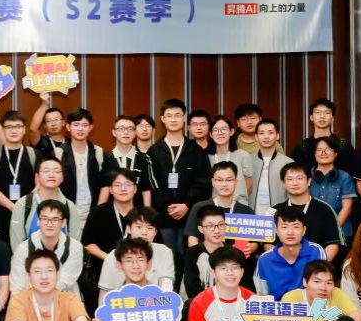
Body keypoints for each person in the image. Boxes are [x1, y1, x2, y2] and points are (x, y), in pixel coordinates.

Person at [147, 98, 211, 290]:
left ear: (184, 118)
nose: (173, 119)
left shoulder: (196, 150)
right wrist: (168, 206)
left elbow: (203, 183)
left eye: (177, 115)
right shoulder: (154, 151)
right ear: (162, 119)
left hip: (189, 215)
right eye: (169, 116)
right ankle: (166, 293)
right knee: (166, 255)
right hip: (163, 215)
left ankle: (185, 295)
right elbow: (152, 183)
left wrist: (186, 205)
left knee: (187, 256)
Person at [81, 169, 142, 303]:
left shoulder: (143, 215)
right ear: (111, 190)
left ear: (135, 189)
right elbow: (88, 244)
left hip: (138, 272)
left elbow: (153, 244)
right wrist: (110, 259)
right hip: (103, 270)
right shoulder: (98, 212)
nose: (123, 189)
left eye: (127, 184)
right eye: (118, 185)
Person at [0, 111, 38, 245]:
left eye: (18, 126)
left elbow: (40, 183)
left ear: (24, 129)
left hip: (29, 212)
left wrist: (25, 204)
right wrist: (12, 206)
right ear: (3, 130)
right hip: (0, 214)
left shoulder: (34, 154)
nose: (14, 131)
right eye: (9, 127)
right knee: (3, 249)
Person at [10, 199, 84, 297]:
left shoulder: (74, 247)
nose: (49, 224)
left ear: (63, 223)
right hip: (29, 300)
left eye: (55, 220)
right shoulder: (23, 249)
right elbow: (17, 285)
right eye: (44, 219)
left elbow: (66, 281)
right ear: (38, 221)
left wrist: (41, 292)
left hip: (65, 299)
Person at [97, 211, 175, 298]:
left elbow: (166, 286)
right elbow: (104, 295)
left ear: (156, 232)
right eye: (139, 227)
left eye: (150, 228)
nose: (144, 232)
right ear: (129, 229)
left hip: (153, 303)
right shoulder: (113, 256)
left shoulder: (164, 252)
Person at [184, 205, 255, 299]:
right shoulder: (193, 253)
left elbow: (248, 288)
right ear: (201, 229)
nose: (217, 231)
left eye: (221, 225)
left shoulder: (235, 253)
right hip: (203, 303)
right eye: (210, 226)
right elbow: (191, 289)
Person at [277, 163, 344, 261]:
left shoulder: (325, 209)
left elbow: (333, 243)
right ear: (283, 183)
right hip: (282, 267)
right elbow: (269, 243)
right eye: (290, 179)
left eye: (300, 178)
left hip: (317, 267)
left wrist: (317, 267)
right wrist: (282, 264)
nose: (295, 183)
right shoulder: (275, 210)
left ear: (309, 181)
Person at [184, 161, 256, 252]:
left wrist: (242, 250)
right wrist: (204, 255)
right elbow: (192, 239)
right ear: (213, 182)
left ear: (236, 182)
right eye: (219, 180)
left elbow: (254, 243)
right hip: (206, 258)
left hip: (236, 258)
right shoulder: (199, 208)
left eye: (229, 180)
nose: (224, 184)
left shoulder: (246, 211)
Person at [255, 205, 326, 297]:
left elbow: (324, 290)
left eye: (296, 227)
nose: (290, 232)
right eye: (284, 227)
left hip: (310, 306)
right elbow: (261, 297)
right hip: (277, 306)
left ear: (304, 230)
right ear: (276, 230)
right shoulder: (264, 260)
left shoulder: (316, 252)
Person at [8, 157, 80, 247]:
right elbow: (16, 243)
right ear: (37, 177)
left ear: (62, 177)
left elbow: (75, 244)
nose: (51, 175)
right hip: (29, 255)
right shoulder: (23, 204)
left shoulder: (69, 206)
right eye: (46, 171)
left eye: (57, 171)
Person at [58, 109, 109, 226]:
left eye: (85, 125)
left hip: (92, 213)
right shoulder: (58, 153)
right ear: (68, 127)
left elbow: (105, 184)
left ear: (91, 128)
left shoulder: (98, 152)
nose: (80, 129)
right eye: (76, 125)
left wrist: (97, 212)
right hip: (65, 214)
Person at [100, 115, 154, 206]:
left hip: (137, 210)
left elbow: (146, 189)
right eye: (121, 129)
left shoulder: (144, 158)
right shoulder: (105, 158)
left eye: (130, 129)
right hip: (112, 210)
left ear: (135, 132)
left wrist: (147, 211)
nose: (126, 132)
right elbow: (104, 188)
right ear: (114, 132)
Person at [309, 136, 356, 241]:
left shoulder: (345, 177)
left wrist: (332, 230)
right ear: (314, 154)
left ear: (335, 153)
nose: (323, 153)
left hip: (341, 233)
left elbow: (347, 208)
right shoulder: (306, 177)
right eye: (319, 150)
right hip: (312, 232)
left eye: (328, 149)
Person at [290, 98, 356, 173]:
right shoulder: (302, 147)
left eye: (327, 113)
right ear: (311, 117)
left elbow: (351, 174)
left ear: (332, 118)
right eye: (317, 112)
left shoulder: (343, 146)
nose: (322, 116)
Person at [247, 118, 292, 214]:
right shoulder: (247, 160)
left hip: (279, 216)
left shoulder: (288, 163)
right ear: (256, 137)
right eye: (262, 133)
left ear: (277, 136)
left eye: (270, 133)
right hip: (251, 217)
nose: (266, 137)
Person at [207, 114, 253, 201]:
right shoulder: (207, 157)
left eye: (223, 129)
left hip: (238, 205)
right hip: (213, 207)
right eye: (215, 130)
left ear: (231, 131)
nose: (220, 133)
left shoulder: (243, 155)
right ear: (211, 134)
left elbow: (249, 187)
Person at [29, 94, 67, 162]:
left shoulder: (71, 142)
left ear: (63, 123)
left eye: (56, 119)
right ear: (44, 126)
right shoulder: (41, 142)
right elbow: (33, 129)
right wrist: (44, 104)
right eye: (49, 121)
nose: (53, 124)